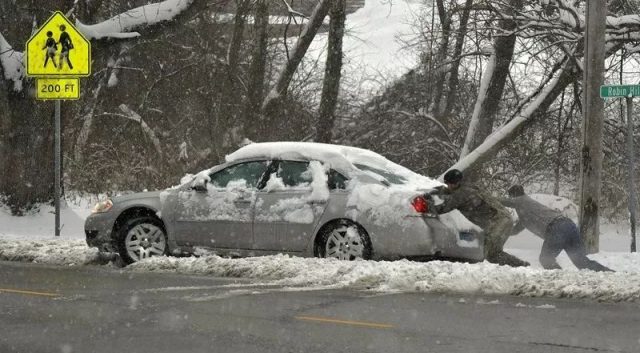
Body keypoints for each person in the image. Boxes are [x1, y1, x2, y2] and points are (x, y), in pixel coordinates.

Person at [501, 185, 612, 272]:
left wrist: (486, 197)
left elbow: (504, 201)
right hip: (568, 225)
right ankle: (611, 275)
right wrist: (500, 232)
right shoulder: (525, 215)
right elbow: (515, 231)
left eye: (511, 196)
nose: (511, 199)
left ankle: (560, 279)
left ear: (514, 195)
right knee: (582, 262)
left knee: (545, 258)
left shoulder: (522, 200)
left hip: (557, 228)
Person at [433, 169, 529, 267]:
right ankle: (518, 266)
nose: (449, 186)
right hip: (500, 218)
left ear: (458, 182)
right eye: (448, 184)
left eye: (451, 184)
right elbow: (447, 190)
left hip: (500, 221)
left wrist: (424, 205)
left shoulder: (462, 193)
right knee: (488, 252)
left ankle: (520, 266)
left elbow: (443, 208)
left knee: (490, 253)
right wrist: (433, 191)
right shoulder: (467, 187)